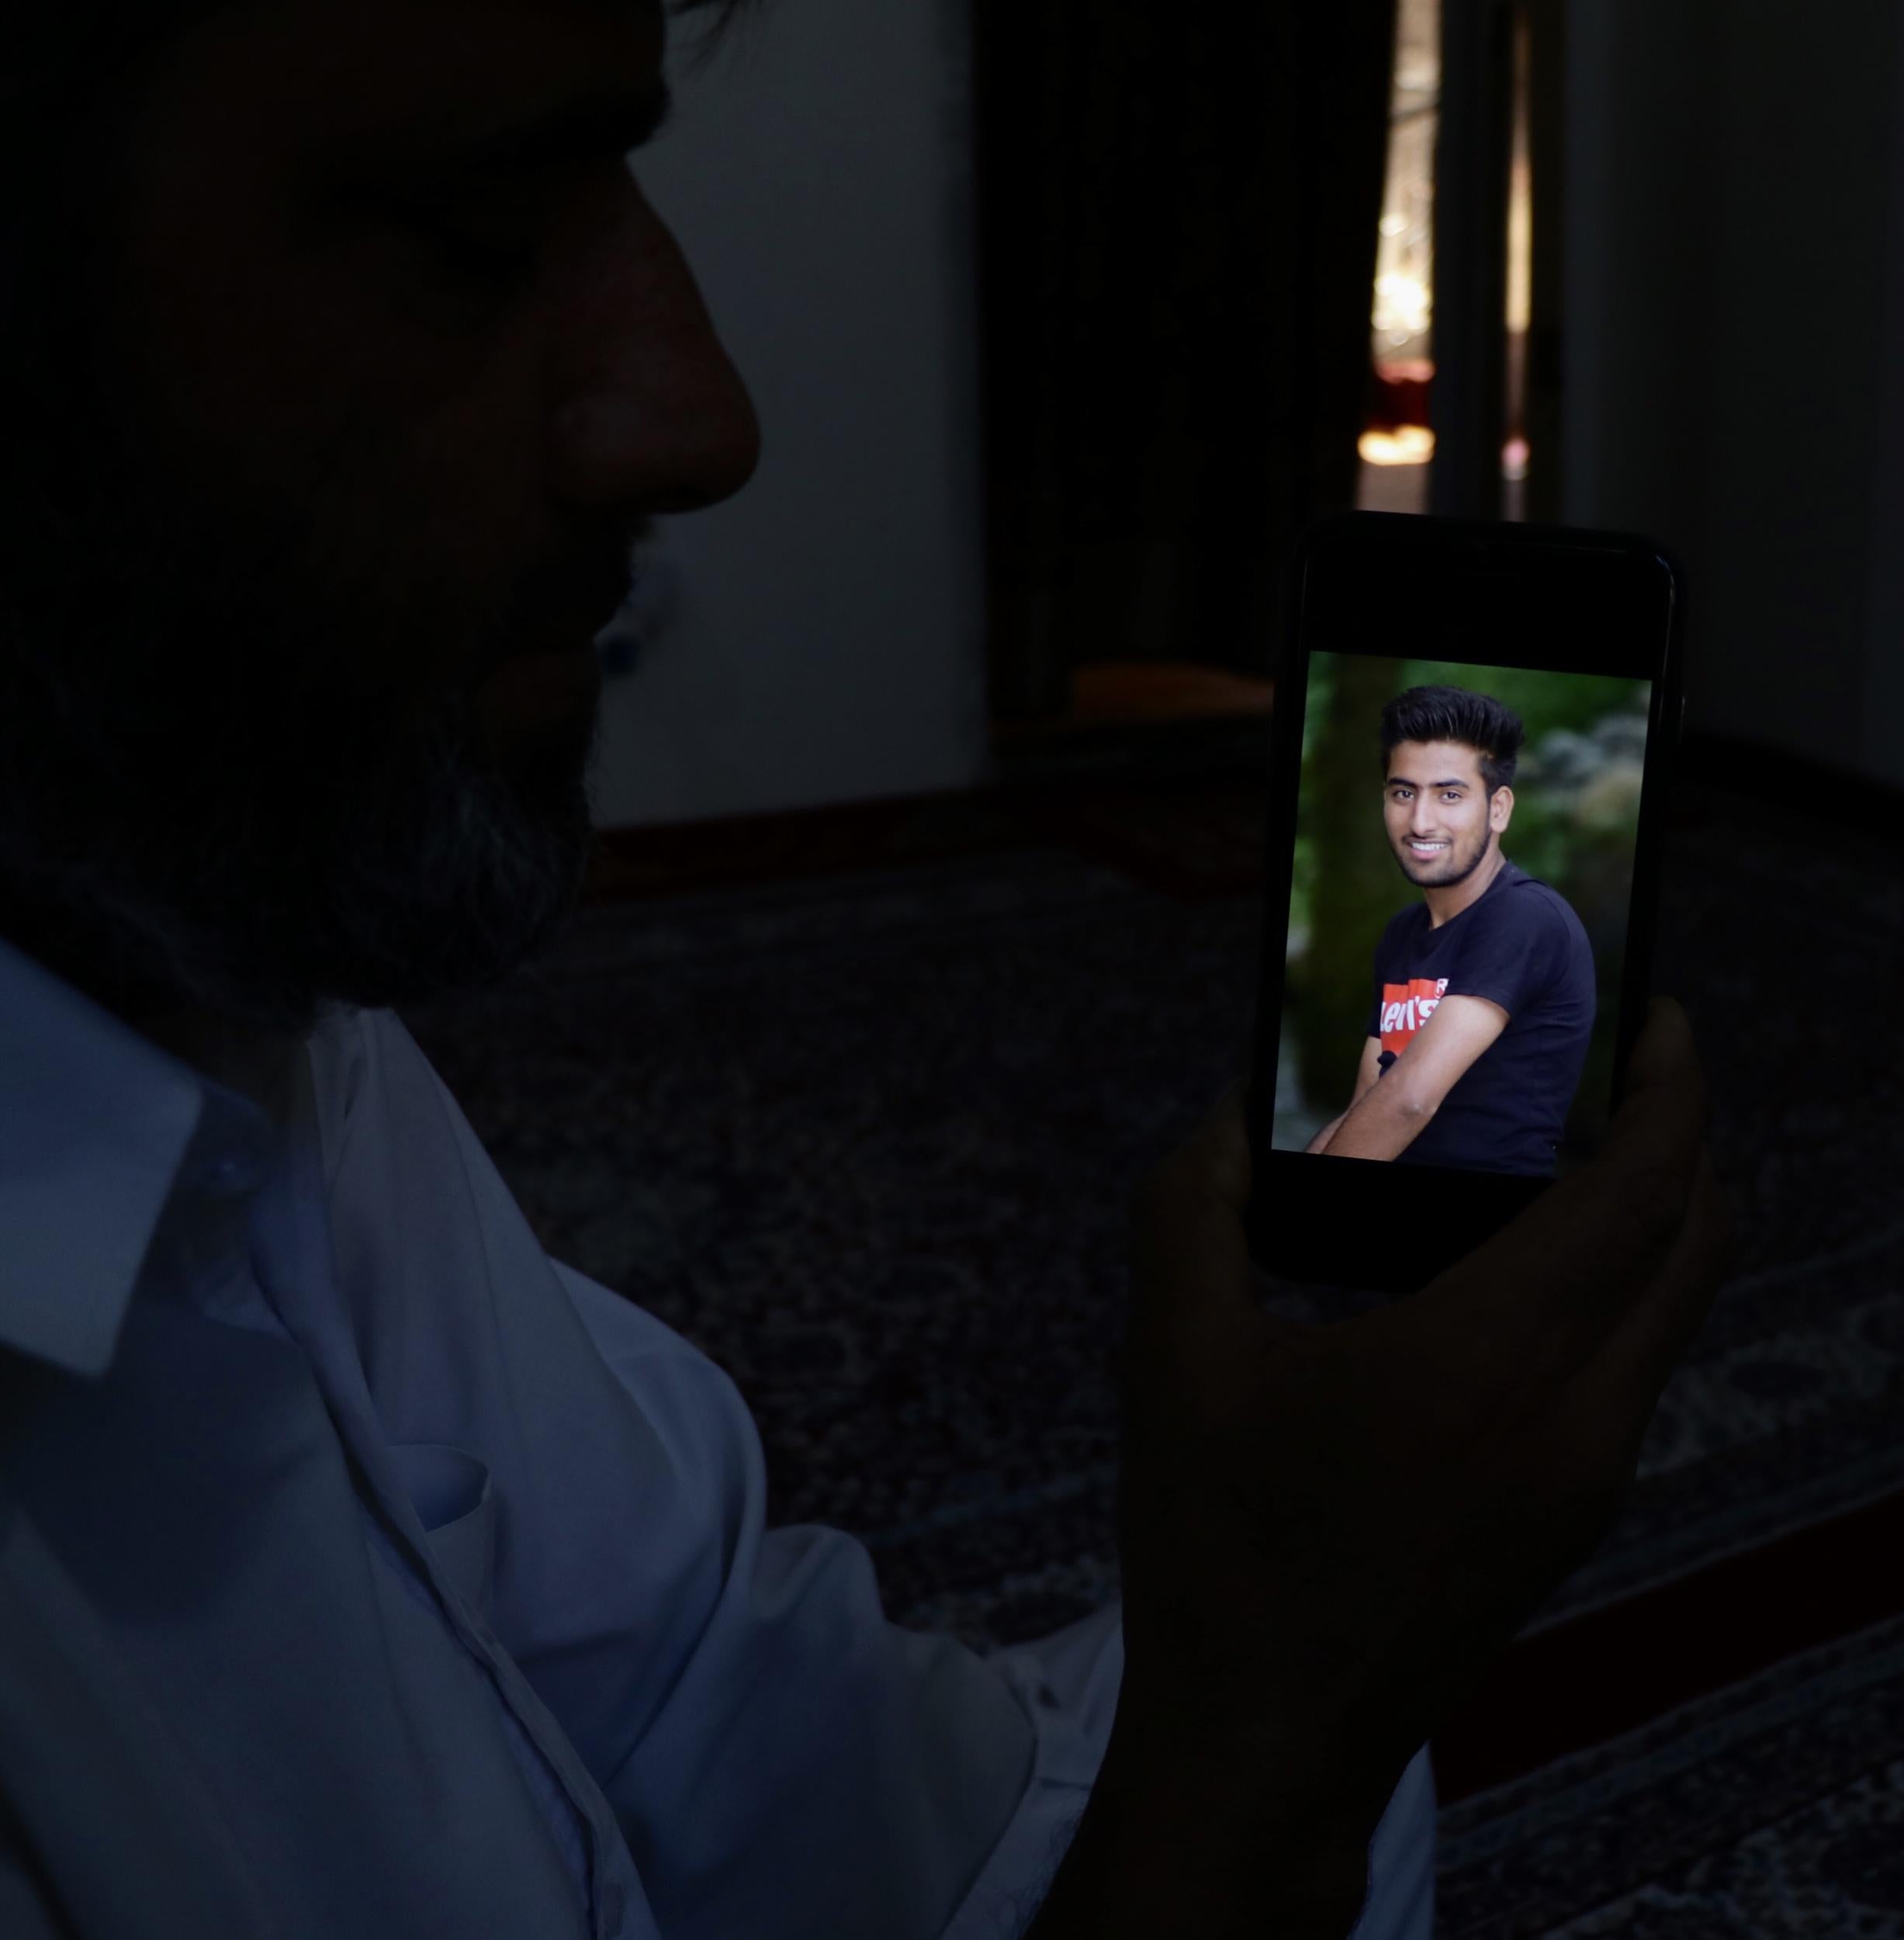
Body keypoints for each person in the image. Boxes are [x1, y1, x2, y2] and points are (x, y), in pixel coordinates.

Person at [0, 3, 1732, 1938]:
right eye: (468, 236)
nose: (702, 411)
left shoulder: (223, 936)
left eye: (1440, 797)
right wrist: (1276, 1730)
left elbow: (692, 1677)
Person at [1306, 686, 1598, 1175]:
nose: (1421, 821)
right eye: (1404, 793)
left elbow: (1410, 1102)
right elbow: (1370, 1100)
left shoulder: (1525, 917)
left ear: (1499, 809)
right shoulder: (1403, 932)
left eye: (1450, 795)